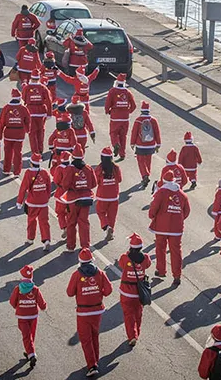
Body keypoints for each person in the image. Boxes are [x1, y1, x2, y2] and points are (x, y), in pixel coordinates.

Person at [66, 248, 112, 377]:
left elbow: (70, 292)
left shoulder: (76, 275)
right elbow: (108, 290)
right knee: (94, 335)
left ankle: (92, 366)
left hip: (83, 312)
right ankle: (95, 359)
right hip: (97, 311)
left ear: (80, 261)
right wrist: (98, 293)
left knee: (86, 339)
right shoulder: (100, 273)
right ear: (92, 260)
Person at [149, 170, 190, 285]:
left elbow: (154, 207)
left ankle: (161, 270)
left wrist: (152, 216)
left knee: (160, 248)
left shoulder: (161, 192)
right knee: (176, 251)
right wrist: (179, 219)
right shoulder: (182, 194)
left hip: (161, 227)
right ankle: (177, 275)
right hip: (176, 229)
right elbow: (187, 211)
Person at [9, 265, 47, 369]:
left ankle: (31, 354)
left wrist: (17, 306)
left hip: (22, 315)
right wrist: (43, 307)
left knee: (26, 335)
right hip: (33, 315)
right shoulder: (35, 289)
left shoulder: (18, 289)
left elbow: (12, 302)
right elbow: (41, 303)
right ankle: (29, 351)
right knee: (31, 333)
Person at [117, 233, 151, 346]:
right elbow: (148, 265)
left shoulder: (124, 257)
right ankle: (137, 333)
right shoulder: (145, 258)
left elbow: (121, 265)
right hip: (139, 293)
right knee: (138, 314)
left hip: (126, 293)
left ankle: (132, 336)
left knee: (128, 315)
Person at [62, 145, 97, 251]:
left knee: (71, 222)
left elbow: (65, 185)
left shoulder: (70, 169)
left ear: (72, 157)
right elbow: (94, 183)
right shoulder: (88, 168)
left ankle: (71, 246)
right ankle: (85, 246)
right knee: (84, 223)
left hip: (73, 200)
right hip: (86, 199)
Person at [17, 152, 51, 247]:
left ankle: (30, 239)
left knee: (31, 221)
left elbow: (23, 188)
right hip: (43, 202)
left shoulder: (28, 173)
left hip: (32, 202)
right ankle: (46, 240)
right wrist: (46, 197)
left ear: (31, 163)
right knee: (44, 222)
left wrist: (19, 201)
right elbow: (48, 186)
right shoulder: (44, 172)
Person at [104, 73, 136, 161]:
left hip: (115, 117)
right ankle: (122, 154)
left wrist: (107, 111)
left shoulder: (112, 91)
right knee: (123, 136)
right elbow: (134, 105)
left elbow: (108, 103)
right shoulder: (127, 92)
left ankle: (115, 144)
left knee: (113, 133)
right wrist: (128, 112)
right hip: (125, 118)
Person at [130, 101, 162, 187]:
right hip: (151, 145)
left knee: (140, 161)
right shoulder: (153, 120)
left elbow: (134, 132)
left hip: (140, 145)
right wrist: (158, 144)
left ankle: (145, 175)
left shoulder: (138, 120)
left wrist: (132, 143)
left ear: (141, 110)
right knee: (148, 161)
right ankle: (147, 174)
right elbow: (157, 132)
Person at [0, 88, 31, 177]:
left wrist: (0, 133)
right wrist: (27, 130)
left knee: (8, 152)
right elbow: (28, 120)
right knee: (18, 153)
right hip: (19, 134)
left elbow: (1, 121)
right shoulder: (23, 109)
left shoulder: (6, 108)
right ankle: (17, 172)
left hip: (8, 133)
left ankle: (6, 170)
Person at [94, 148, 122, 241]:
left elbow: (96, 181)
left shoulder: (99, 168)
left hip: (102, 196)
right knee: (112, 216)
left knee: (100, 212)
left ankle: (106, 226)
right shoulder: (116, 168)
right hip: (114, 196)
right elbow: (120, 179)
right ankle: (111, 231)